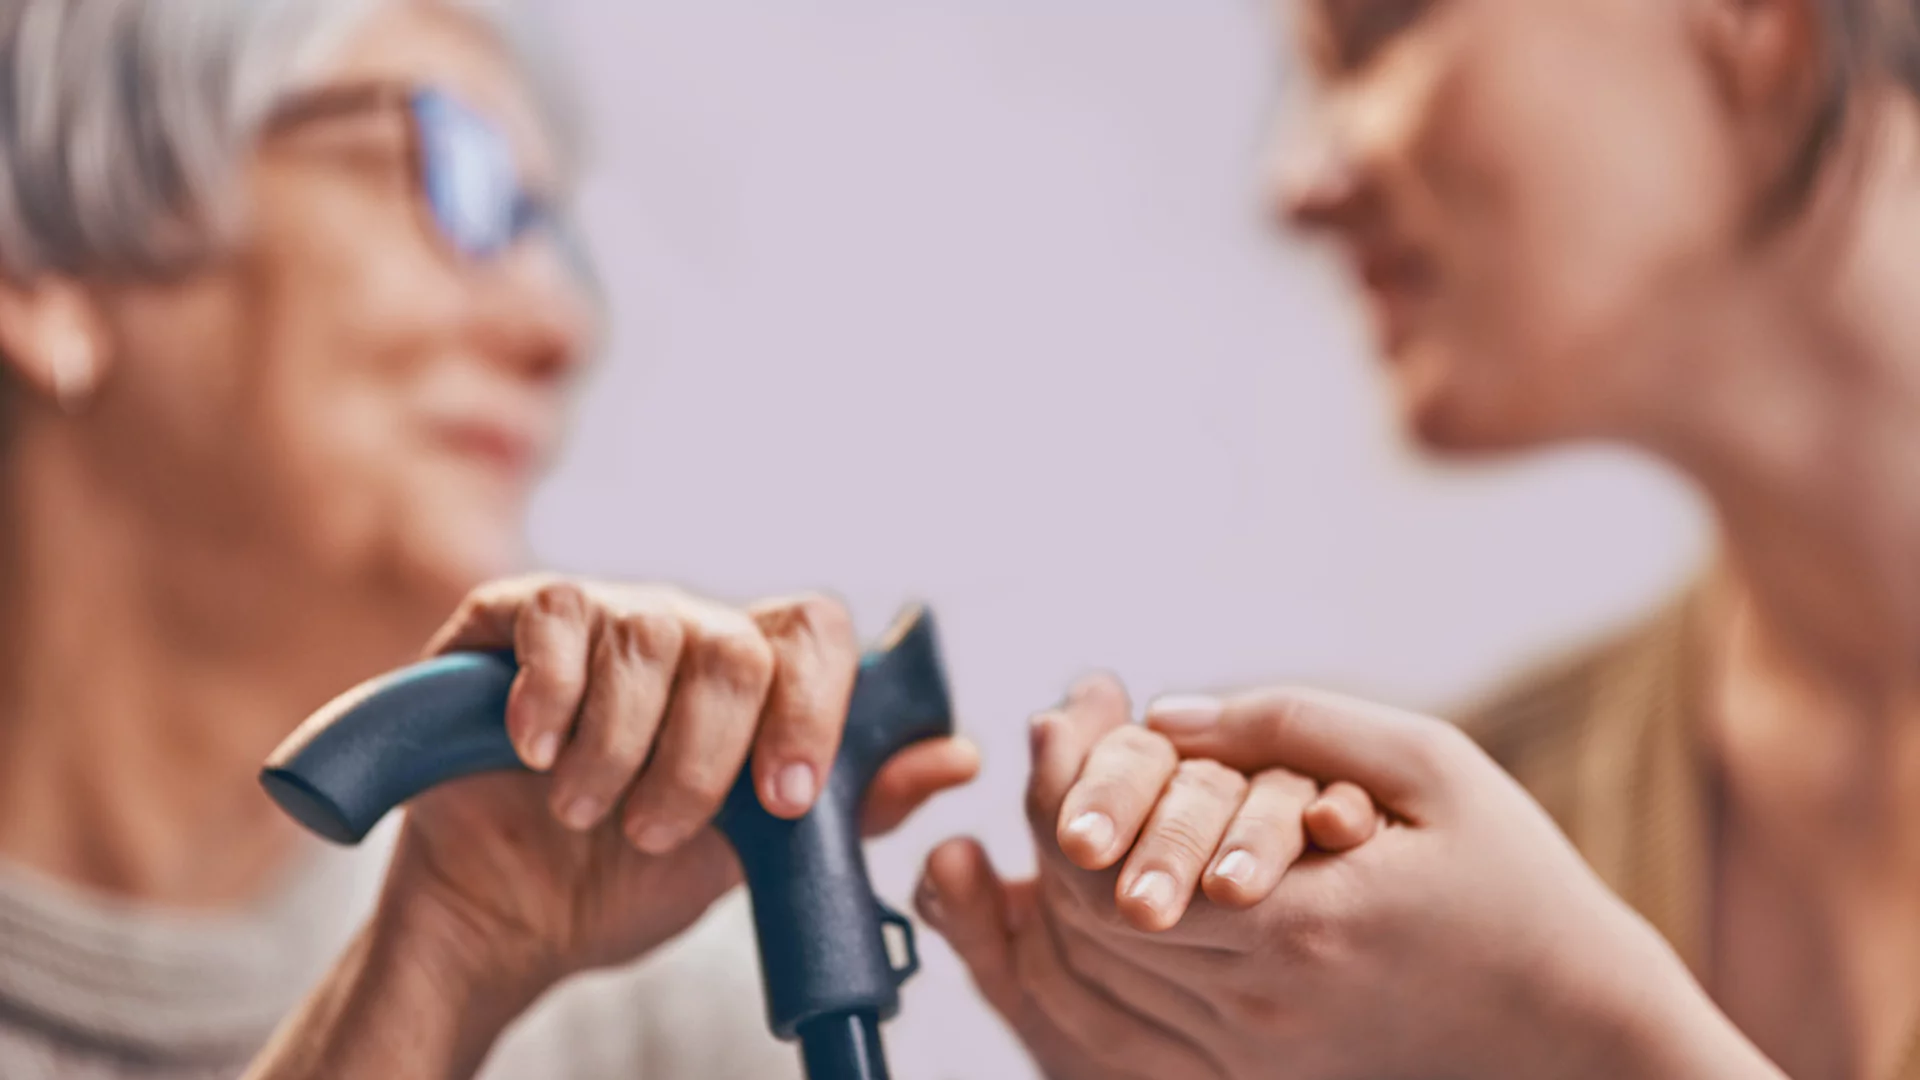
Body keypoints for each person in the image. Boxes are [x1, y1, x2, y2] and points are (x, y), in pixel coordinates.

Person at [912, 0, 1920, 1077]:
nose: (1295, 186)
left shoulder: (1515, 958)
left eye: (1376, 34)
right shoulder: (1505, 835)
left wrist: (1582, 1047)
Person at [0, 1, 976, 1078]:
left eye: (549, 233)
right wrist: (426, 987)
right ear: (47, 266)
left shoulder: (631, 1004)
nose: (560, 331)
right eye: (457, 179)